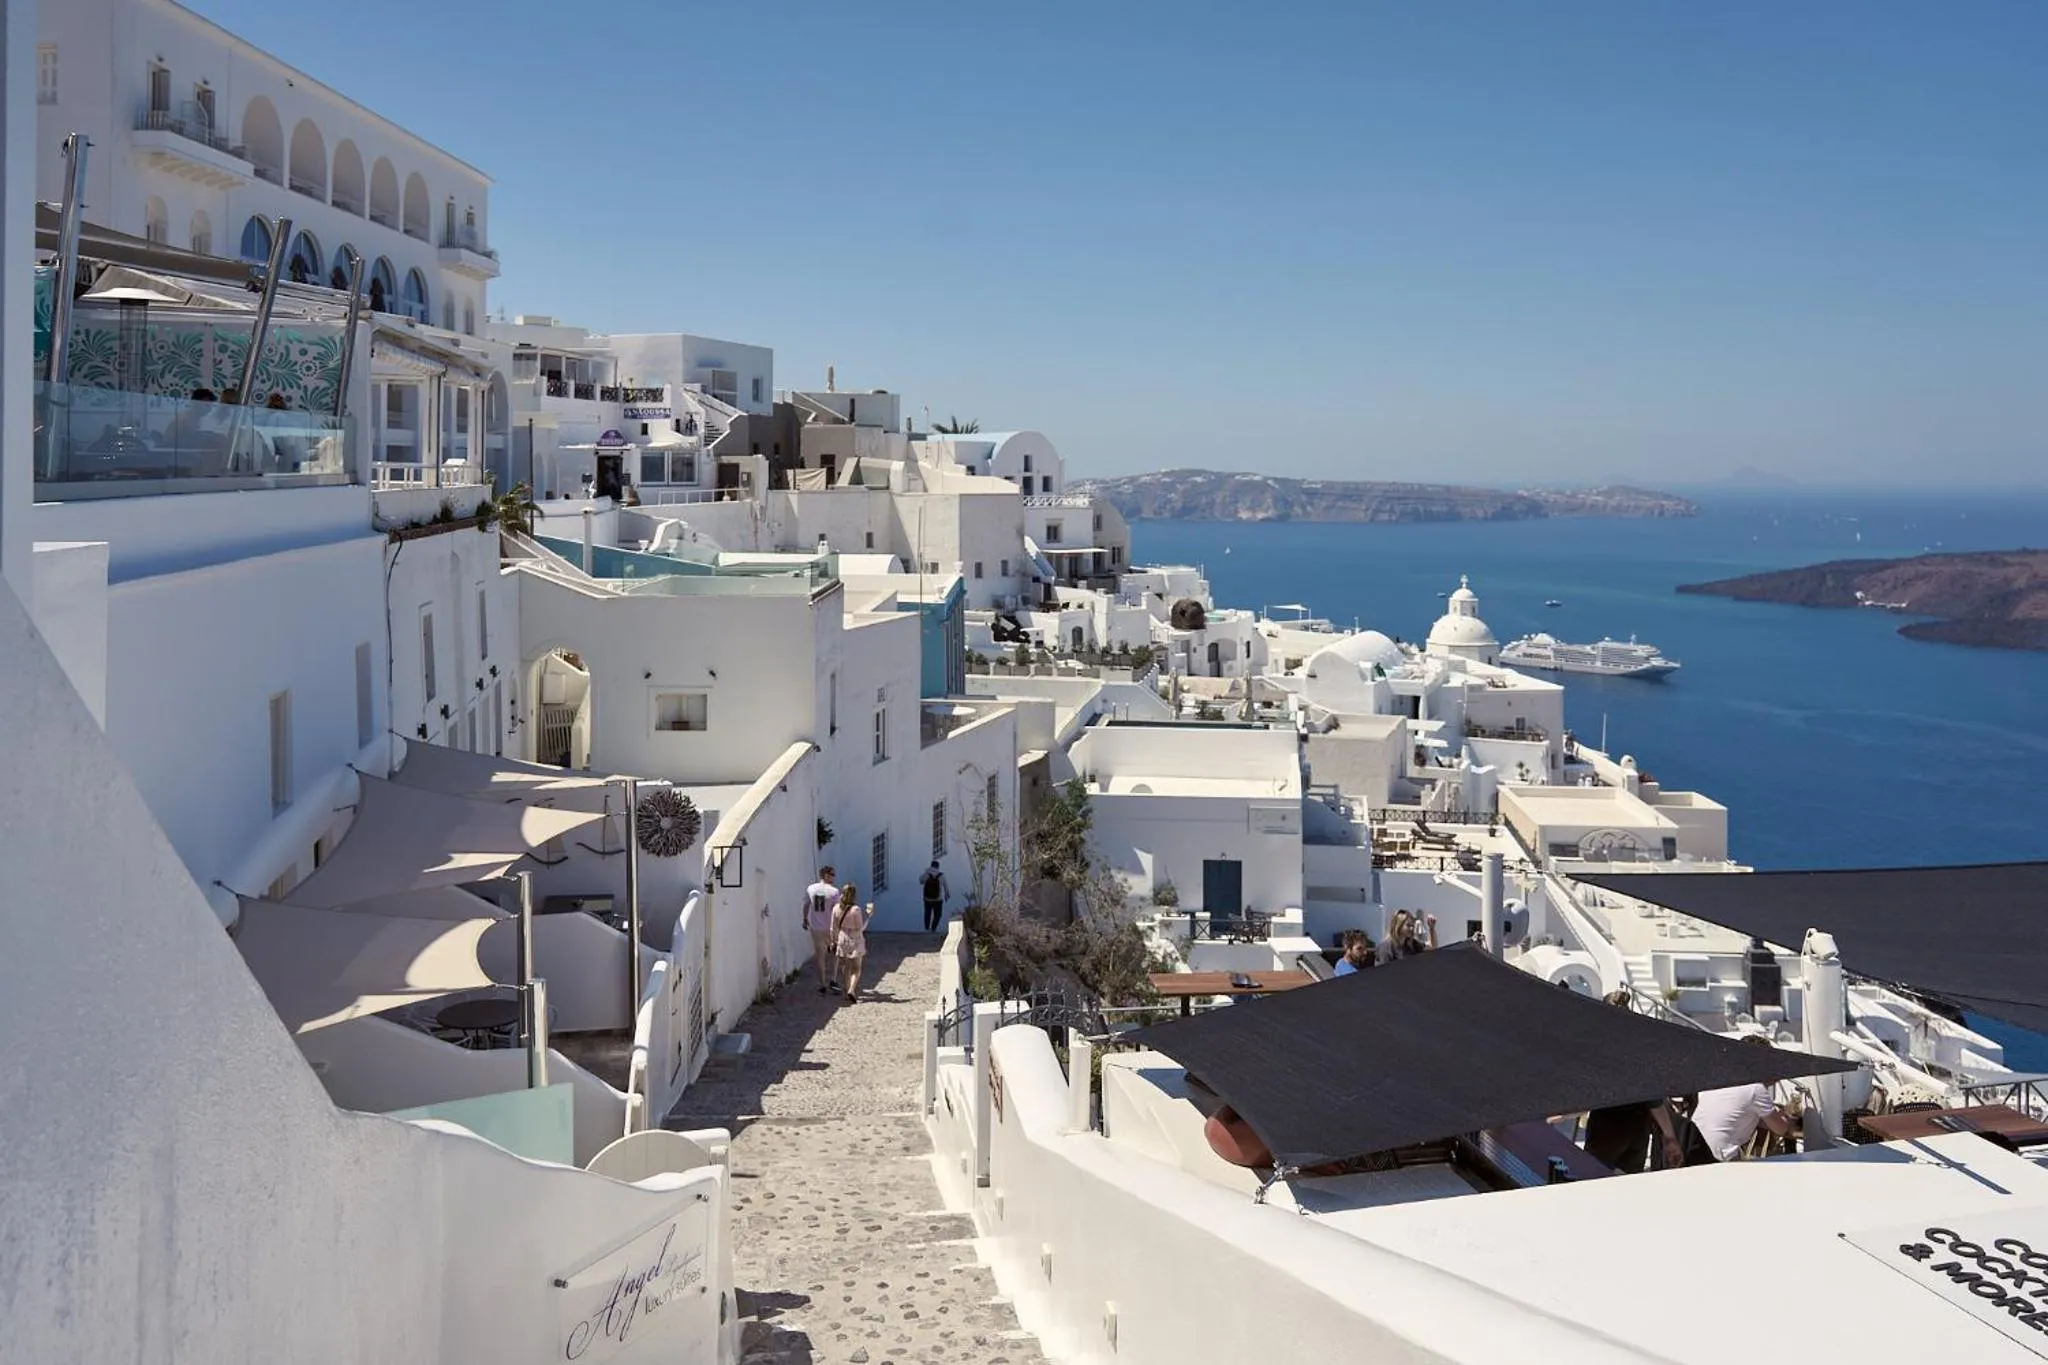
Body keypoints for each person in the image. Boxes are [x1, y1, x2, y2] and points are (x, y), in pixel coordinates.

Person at [1583, 990, 1686, 1172]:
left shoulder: (1600, 1047)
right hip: (1636, 1131)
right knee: (1630, 1189)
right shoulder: (1641, 1047)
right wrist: (1670, 1136)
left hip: (1606, 1129)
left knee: (1594, 1182)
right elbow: (1654, 1100)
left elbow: (1589, 1089)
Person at [1685, 1039, 1796, 1162]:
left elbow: (1736, 1115)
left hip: (1692, 1146)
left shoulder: (1718, 1080)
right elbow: (1781, 1129)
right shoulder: (1754, 1088)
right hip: (1719, 1156)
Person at [803, 866, 840, 995]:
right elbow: (837, 911)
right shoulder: (834, 892)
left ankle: (822, 983)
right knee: (835, 954)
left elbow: (806, 905)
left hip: (816, 928)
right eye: (831, 874)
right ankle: (833, 979)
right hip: (830, 928)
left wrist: (804, 919)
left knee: (820, 956)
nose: (833, 877)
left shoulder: (810, 889)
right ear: (825, 875)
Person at [832, 883, 871, 1003]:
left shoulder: (836, 908)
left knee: (846, 967)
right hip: (855, 939)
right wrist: (869, 916)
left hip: (842, 938)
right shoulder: (855, 910)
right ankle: (851, 990)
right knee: (856, 967)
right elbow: (860, 928)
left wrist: (834, 940)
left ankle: (846, 990)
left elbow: (832, 927)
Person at [919, 859, 949, 934]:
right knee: (938, 915)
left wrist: (926, 872)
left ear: (931, 865)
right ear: (938, 867)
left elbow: (921, 881)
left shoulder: (927, 874)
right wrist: (947, 895)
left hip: (927, 899)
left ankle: (926, 928)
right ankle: (933, 928)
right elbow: (945, 886)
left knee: (927, 913)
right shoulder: (941, 875)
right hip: (938, 899)